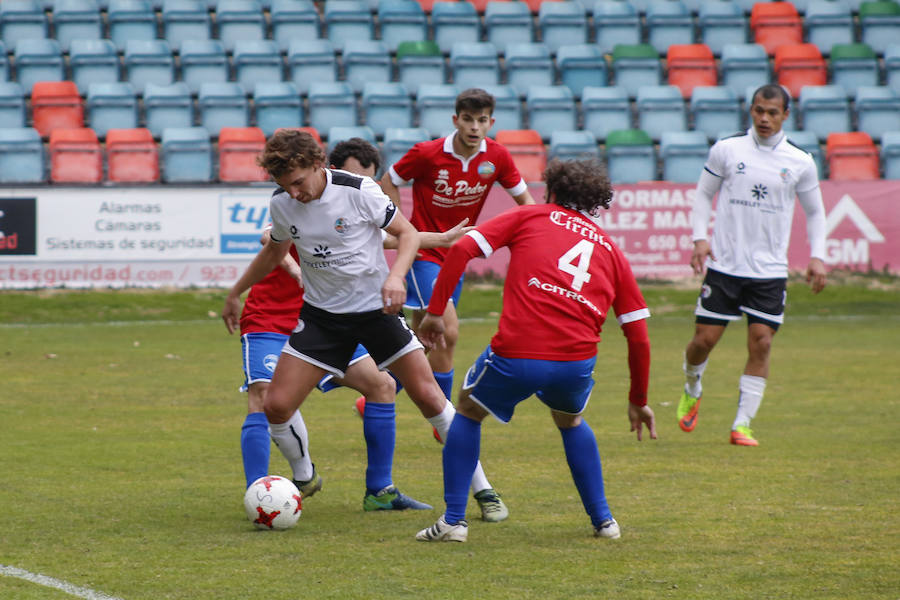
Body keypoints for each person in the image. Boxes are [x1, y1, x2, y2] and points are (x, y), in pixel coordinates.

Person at [225, 131, 507, 519]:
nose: (294, 192)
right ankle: (305, 476)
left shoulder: (359, 190)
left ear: (316, 164)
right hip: (322, 319)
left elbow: (404, 235)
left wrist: (397, 278)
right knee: (275, 405)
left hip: (376, 313)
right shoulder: (283, 204)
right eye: (284, 186)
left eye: (298, 182)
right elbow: (274, 250)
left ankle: (485, 491)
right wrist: (236, 291)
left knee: (428, 397)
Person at [413, 158, 657, 543]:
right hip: (575, 363)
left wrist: (435, 310)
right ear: (594, 203)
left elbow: (461, 249)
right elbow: (638, 334)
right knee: (570, 420)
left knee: (468, 410)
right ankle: (605, 521)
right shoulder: (609, 248)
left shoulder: (531, 216)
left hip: (519, 353)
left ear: (552, 191)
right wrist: (638, 399)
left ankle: (454, 522)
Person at [676, 83, 827, 447]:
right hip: (725, 266)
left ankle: (741, 424)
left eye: (772, 112)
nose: (764, 118)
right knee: (703, 341)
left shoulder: (800, 161)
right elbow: (704, 194)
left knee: (761, 343)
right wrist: (700, 238)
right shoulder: (727, 150)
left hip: (769, 273)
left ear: (785, 115)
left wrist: (818, 255)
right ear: (751, 110)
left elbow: (815, 212)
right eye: (759, 110)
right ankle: (692, 385)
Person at [380, 88, 535, 415]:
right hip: (423, 254)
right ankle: (447, 418)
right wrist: (405, 231)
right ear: (456, 120)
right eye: (468, 119)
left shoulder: (497, 158)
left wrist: (535, 237)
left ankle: (378, 392)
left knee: (424, 341)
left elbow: (526, 204)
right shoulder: (427, 153)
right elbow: (389, 180)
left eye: (482, 120)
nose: (474, 127)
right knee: (447, 330)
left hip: (457, 256)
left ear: (491, 122)